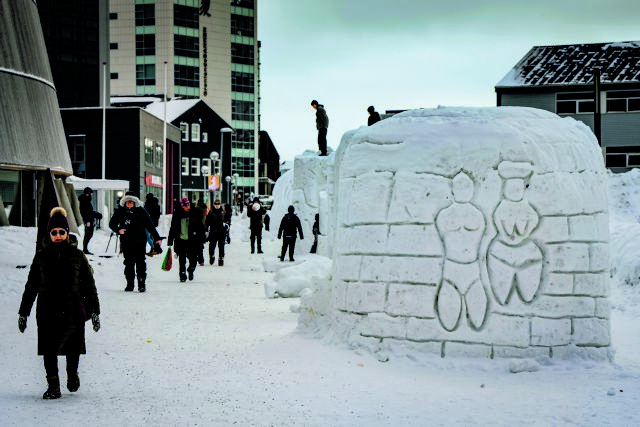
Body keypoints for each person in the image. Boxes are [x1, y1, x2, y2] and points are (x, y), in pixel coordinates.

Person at [18, 207, 101, 400]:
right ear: (49, 234)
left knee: (73, 347)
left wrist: (95, 311)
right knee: (49, 348)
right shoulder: (41, 256)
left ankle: (72, 375)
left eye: (61, 232)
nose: (57, 235)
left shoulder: (77, 256)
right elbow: (31, 286)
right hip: (47, 310)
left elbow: (89, 285)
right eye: (53, 232)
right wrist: (24, 312)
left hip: (73, 309)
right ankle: (53, 386)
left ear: (67, 233)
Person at [108, 191, 162, 292]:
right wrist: (118, 230)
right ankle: (130, 284)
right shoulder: (120, 211)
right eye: (128, 202)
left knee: (141, 262)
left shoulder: (141, 211)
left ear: (135, 203)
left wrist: (157, 238)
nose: (129, 204)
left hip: (140, 241)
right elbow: (112, 224)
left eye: (131, 202)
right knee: (129, 263)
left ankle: (141, 283)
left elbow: (150, 225)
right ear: (124, 202)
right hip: (126, 242)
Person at [168, 198, 206, 282]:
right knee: (182, 259)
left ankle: (191, 269)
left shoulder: (194, 212)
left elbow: (200, 226)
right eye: (185, 206)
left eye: (188, 205)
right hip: (180, 240)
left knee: (193, 260)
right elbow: (173, 227)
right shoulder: (177, 214)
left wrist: (202, 237)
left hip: (192, 240)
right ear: (182, 206)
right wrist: (170, 240)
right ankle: (182, 274)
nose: (187, 207)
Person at [78, 187, 102, 255]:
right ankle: (85, 249)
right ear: (88, 194)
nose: (91, 195)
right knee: (88, 234)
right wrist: (95, 215)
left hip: (88, 220)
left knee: (88, 234)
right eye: (91, 193)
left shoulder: (85, 200)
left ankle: (85, 249)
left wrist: (95, 214)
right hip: (88, 220)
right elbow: (87, 212)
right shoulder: (84, 201)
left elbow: (88, 212)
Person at [205, 199, 227, 266]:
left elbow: (227, 220)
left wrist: (226, 225)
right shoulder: (211, 212)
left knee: (221, 246)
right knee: (212, 245)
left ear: (220, 204)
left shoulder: (223, 212)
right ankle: (212, 256)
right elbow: (207, 221)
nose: (217, 205)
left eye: (218, 204)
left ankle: (221, 258)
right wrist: (206, 229)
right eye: (216, 204)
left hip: (221, 232)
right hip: (213, 231)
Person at [194, 199, 208, 265]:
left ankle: (198, 259)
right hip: (202, 226)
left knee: (196, 245)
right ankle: (201, 260)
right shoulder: (205, 208)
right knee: (200, 246)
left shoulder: (197, 209)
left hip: (197, 227)